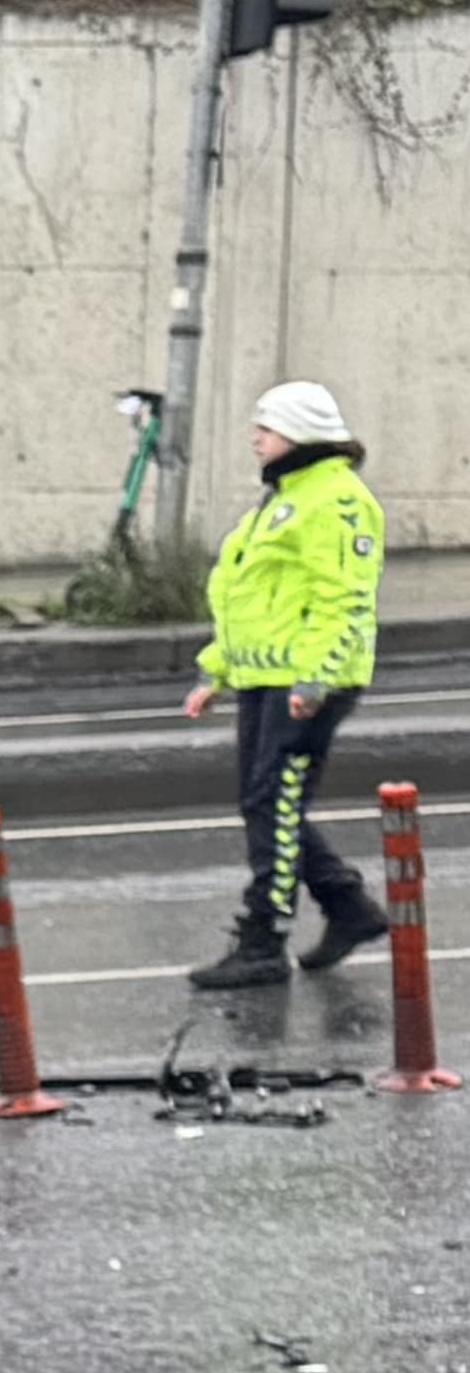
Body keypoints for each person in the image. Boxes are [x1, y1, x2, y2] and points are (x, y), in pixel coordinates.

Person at [183, 377, 391, 989]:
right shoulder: (285, 498)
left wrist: (316, 680)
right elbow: (250, 598)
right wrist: (216, 670)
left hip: (305, 684)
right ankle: (348, 908)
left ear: (299, 432)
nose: (255, 439)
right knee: (269, 804)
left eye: (266, 428)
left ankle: (264, 941)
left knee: (272, 803)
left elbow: (345, 600)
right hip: (265, 678)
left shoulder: (339, 501)